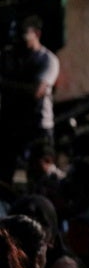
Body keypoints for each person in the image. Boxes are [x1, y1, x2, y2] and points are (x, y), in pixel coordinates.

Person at [0, 14, 60, 189]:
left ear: (37, 34)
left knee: (40, 177)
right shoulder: (8, 56)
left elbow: (36, 91)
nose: (17, 40)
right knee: (4, 175)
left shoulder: (47, 59)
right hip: (11, 124)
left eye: (22, 35)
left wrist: (4, 84)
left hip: (37, 127)